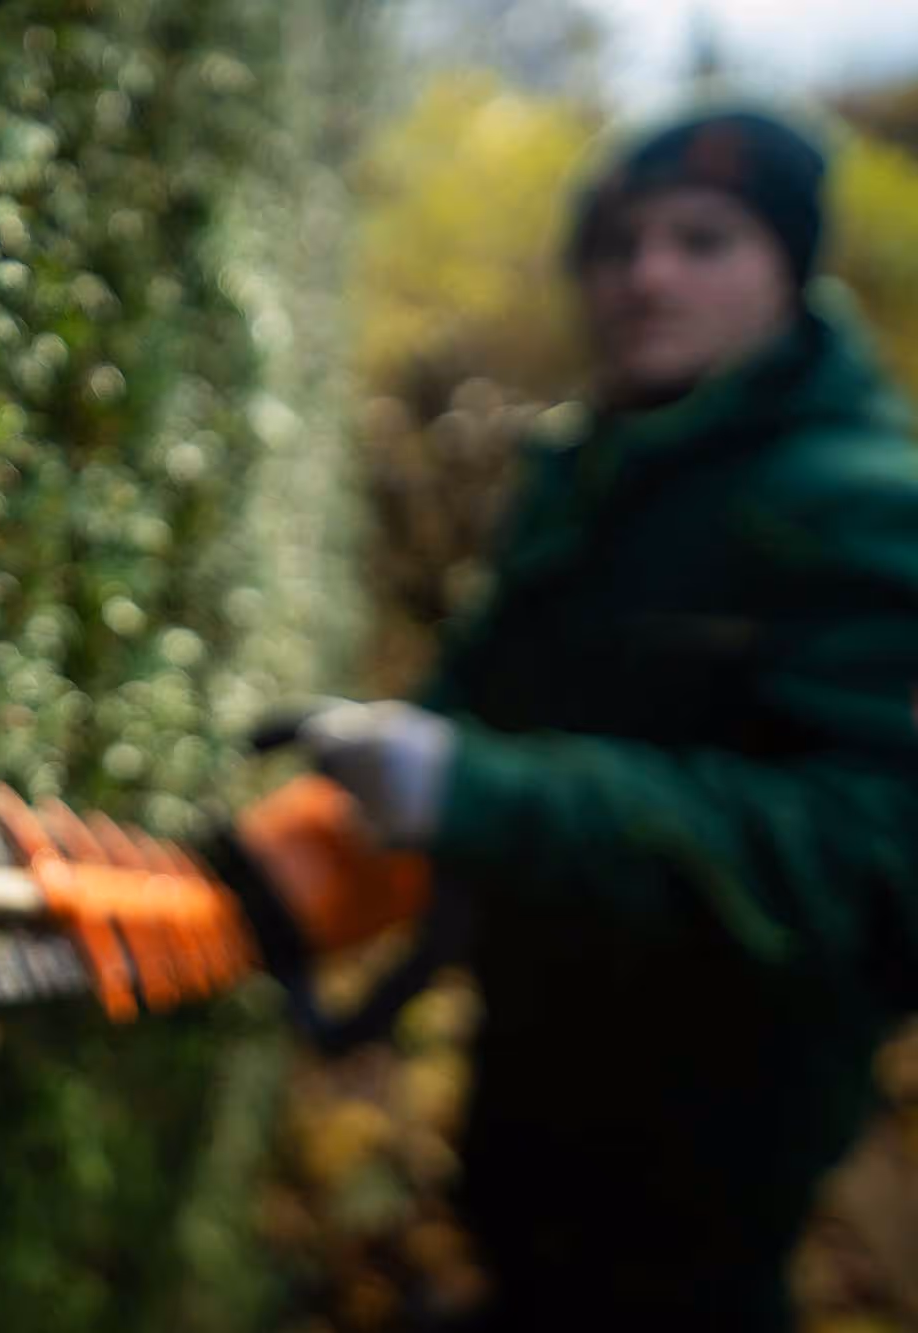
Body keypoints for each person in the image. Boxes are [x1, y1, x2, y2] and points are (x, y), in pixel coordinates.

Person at [263, 108, 918, 1330]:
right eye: (615, 244)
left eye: (701, 238)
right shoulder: (583, 475)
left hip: (711, 1140)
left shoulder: (869, 506)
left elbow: (875, 860)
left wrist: (480, 795)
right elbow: (483, 690)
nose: (644, 274)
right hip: (528, 1070)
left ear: (791, 267)